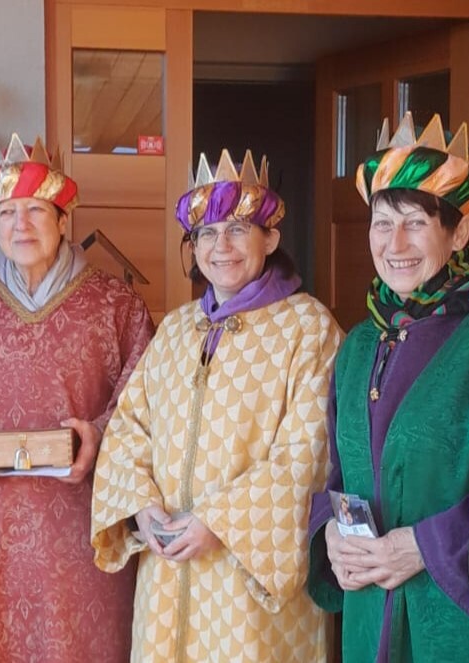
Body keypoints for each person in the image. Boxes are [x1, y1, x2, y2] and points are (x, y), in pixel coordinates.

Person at [0, 133, 153, 662]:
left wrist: (98, 438)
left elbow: (147, 406)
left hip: (85, 536)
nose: (21, 225)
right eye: (7, 213)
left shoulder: (117, 306)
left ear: (63, 218)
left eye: (36, 209)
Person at [91, 149, 343, 662]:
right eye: (206, 233)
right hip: (167, 572)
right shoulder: (176, 329)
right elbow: (129, 427)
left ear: (270, 238)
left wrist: (218, 521)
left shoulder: (309, 329)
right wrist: (142, 507)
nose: (220, 246)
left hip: (249, 579)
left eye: (237, 230)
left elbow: (309, 454)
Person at [306, 112, 469, 663]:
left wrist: (425, 547)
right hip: (368, 618)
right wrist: (329, 531)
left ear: (459, 232)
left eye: (415, 222)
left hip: (455, 623)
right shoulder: (359, 344)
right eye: (382, 223)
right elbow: (341, 474)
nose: (395, 242)